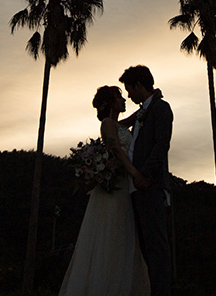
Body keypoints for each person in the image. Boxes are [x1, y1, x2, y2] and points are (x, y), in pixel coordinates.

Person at [59, 86, 151, 296]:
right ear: (110, 102)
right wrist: (135, 173)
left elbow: (131, 120)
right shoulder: (108, 124)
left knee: (122, 237)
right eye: (119, 97)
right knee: (110, 237)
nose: (124, 99)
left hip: (122, 188)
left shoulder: (117, 123)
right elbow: (116, 150)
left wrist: (150, 101)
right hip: (114, 190)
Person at [119, 65, 172, 296]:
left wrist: (145, 176)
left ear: (139, 85)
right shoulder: (142, 112)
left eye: (129, 90)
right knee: (146, 247)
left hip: (149, 186)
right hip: (136, 188)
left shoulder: (161, 109)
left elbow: (161, 146)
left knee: (157, 247)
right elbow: (119, 126)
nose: (128, 96)